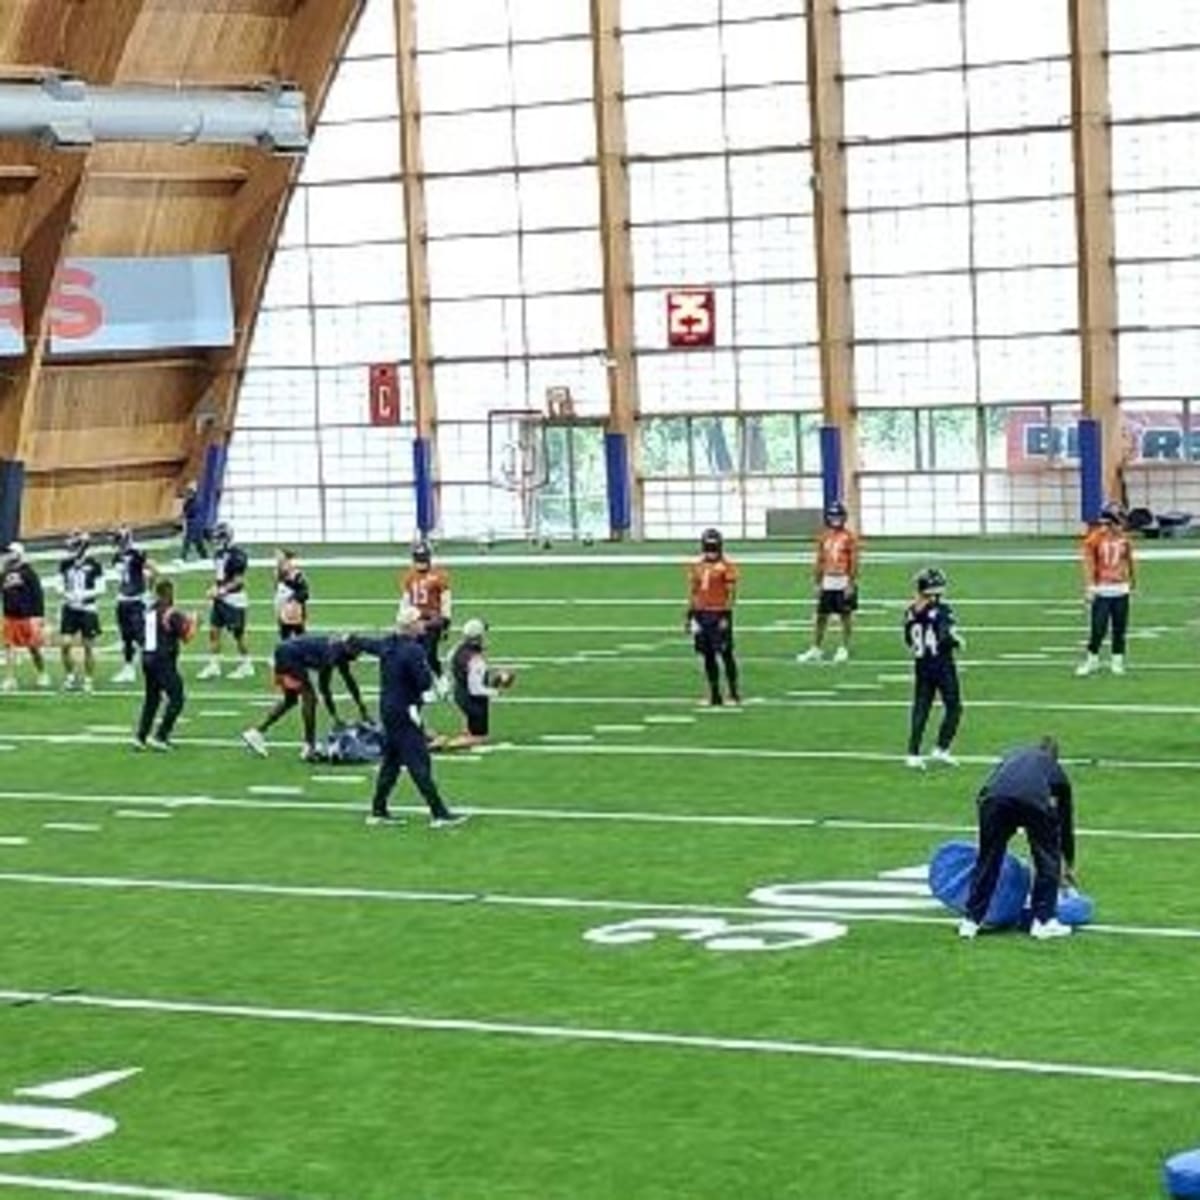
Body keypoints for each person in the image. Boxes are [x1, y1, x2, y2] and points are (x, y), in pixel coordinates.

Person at [350, 606, 465, 828]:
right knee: (419, 760)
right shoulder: (413, 650)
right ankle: (439, 813)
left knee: (391, 762)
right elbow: (422, 682)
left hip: (388, 709)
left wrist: (350, 639)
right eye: (420, 621)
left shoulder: (388, 643)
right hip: (405, 710)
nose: (423, 624)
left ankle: (378, 809)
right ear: (411, 625)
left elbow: (366, 644)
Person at [958, 737, 1077, 941]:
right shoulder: (1055, 770)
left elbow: (985, 791)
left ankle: (971, 921)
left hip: (993, 802)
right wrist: (1069, 862)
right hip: (1033, 803)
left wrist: (987, 837)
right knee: (1047, 859)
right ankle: (1043, 921)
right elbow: (1064, 824)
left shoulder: (1012, 756)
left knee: (988, 860)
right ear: (1055, 757)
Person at [241, 634, 369, 760]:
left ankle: (256, 732)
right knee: (310, 699)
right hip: (290, 657)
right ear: (349, 649)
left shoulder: (339, 652)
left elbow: (349, 681)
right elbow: (324, 687)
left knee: (290, 700)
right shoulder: (332, 655)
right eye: (357, 652)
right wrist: (335, 716)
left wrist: (361, 706)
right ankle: (309, 746)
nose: (358, 656)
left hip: (284, 652)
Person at [903, 567, 963, 769]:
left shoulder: (910, 611)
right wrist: (957, 642)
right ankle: (941, 748)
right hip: (942, 664)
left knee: (921, 707)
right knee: (954, 707)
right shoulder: (942, 610)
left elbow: (909, 640)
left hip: (921, 663)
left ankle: (913, 752)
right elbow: (945, 636)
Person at [431, 618, 515, 752]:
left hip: (460, 692)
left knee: (472, 730)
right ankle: (447, 745)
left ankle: (460, 735)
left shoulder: (457, 650)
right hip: (472, 700)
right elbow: (475, 689)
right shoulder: (475, 660)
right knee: (480, 737)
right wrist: (496, 690)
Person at [134, 578, 196, 751]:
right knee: (177, 697)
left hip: (147, 658)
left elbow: (139, 636)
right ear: (169, 593)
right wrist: (194, 622)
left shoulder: (149, 611)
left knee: (152, 699)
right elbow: (187, 637)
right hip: (163, 660)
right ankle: (161, 736)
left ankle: (141, 737)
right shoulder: (171, 613)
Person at [1076, 501, 1135, 677]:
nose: (1121, 525)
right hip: (1102, 589)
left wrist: (1133, 583)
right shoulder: (1096, 539)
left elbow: (1130, 562)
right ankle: (1092, 659)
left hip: (1121, 589)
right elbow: (1088, 561)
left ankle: (1117, 661)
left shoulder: (1124, 540)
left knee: (1119, 628)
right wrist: (1089, 586)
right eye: (1118, 521)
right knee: (1098, 628)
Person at [797, 501, 860, 665]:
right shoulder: (824, 536)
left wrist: (850, 583)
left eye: (838, 516)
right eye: (833, 516)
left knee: (844, 615)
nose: (835, 519)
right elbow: (820, 560)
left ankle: (844, 647)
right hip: (828, 579)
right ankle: (816, 647)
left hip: (843, 579)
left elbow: (853, 561)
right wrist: (817, 582)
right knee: (821, 616)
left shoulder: (849, 537)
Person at [687, 528, 740, 707]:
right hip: (702, 613)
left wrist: (726, 614)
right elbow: (694, 592)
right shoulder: (698, 566)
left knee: (726, 654)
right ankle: (715, 693)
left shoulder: (726, 566)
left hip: (718, 613)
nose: (711, 550)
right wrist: (691, 615)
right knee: (707, 655)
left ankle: (733, 692)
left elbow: (731, 593)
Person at [198, 523, 253, 680]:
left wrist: (221, 591)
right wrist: (213, 588)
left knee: (238, 635)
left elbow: (238, 581)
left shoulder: (238, 555)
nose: (215, 540)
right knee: (214, 631)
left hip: (234, 600)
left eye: (219, 537)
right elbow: (219, 577)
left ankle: (246, 664)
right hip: (220, 599)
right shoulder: (219, 554)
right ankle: (214, 664)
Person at [58, 530, 105, 693]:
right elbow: (59, 583)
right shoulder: (65, 564)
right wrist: (66, 594)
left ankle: (88, 679)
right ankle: (70, 676)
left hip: (87, 609)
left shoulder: (94, 565)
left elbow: (101, 588)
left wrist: (83, 594)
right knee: (65, 644)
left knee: (88, 646)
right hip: (70, 608)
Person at [401, 541, 452, 688]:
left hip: (432, 620)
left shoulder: (439, 575)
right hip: (414, 620)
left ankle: (440, 679)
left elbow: (445, 599)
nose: (421, 562)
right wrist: (402, 619)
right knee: (414, 654)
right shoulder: (409, 576)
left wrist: (446, 620)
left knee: (429, 654)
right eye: (418, 558)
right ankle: (422, 685)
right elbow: (406, 599)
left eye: (423, 558)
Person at [2, 542, 49, 692]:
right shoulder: (4, 573)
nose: (9, 554)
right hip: (10, 617)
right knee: (9, 647)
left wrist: (39, 617)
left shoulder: (29, 572)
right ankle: (10, 678)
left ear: (19, 554)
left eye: (12, 552)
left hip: (27, 617)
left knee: (33, 648)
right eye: (8, 552)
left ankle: (42, 673)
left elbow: (38, 595)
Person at [111, 526, 154, 685]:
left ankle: (154, 667)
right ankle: (128, 669)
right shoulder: (117, 556)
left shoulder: (137, 553)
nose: (117, 544)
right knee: (126, 637)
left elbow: (153, 570)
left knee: (141, 637)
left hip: (137, 600)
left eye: (119, 540)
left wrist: (148, 591)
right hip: (123, 600)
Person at [274, 549, 310, 640]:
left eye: (280, 557)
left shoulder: (296, 575)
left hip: (294, 610)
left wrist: (292, 600)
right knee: (285, 637)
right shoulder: (278, 573)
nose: (277, 560)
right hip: (283, 609)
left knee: (300, 637)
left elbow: (305, 593)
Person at [179, 482, 209, 563]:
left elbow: (190, 513)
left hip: (194, 523)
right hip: (193, 523)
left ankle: (183, 557)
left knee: (188, 540)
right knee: (198, 541)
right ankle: (204, 556)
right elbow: (185, 511)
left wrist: (185, 516)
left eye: (189, 492)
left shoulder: (195, 502)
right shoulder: (189, 501)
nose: (187, 494)